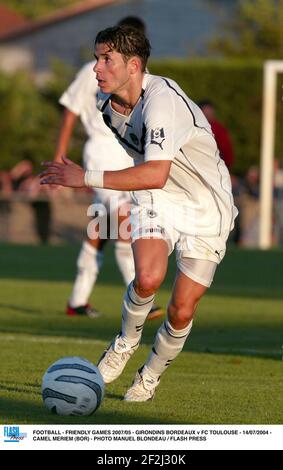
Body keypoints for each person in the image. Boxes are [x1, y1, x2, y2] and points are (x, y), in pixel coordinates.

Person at [41, 26, 238, 402]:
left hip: (206, 206)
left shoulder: (162, 103)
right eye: (97, 57)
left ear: (133, 66)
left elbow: (156, 169)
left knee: (181, 310)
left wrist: (83, 177)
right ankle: (124, 343)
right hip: (156, 197)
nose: (96, 68)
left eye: (105, 59)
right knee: (147, 277)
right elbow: (151, 176)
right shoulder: (107, 105)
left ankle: (150, 374)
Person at [54, 16, 163, 320]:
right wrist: (60, 156)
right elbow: (71, 112)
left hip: (126, 155)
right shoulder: (93, 73)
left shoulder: (140, 76)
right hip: (101, 152)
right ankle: (141, 296)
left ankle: (77, 301)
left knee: (100, 226)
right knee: (124, 218)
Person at [198, 100, 234, 171]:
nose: (209, 113)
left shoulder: (219, 129)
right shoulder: (196, 127)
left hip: (215, 167)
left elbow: (227, 152)